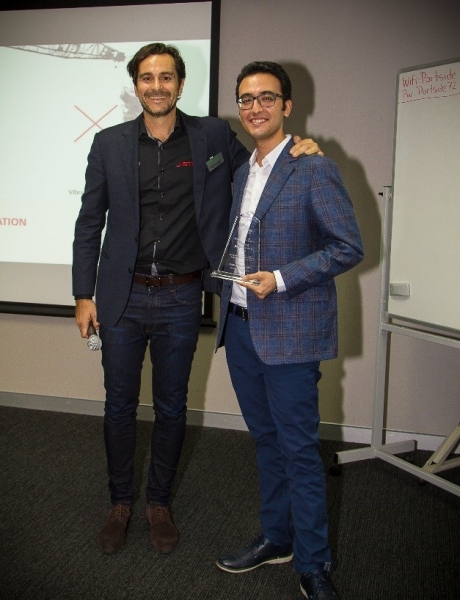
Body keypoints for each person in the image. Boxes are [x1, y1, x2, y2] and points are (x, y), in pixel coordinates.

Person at [72, 43, 322, 556]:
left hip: (184, 296)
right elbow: (89, 222)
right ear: (135, 85)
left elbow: (262, 162)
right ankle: (120, 503)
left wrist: (303, 148)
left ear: (181, 85)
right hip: (122, 296)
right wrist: (82, 293)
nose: (157, 86)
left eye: (167, 77)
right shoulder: (109, 144)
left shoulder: (211, 136)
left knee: (171, 406)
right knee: (118, 405)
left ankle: (158, 503)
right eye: (147, 78)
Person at [214, 62, 364, 599]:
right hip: (240, 328)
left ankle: (314, 562)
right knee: (266, 443)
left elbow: (348, 246)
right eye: (246, 98)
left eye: (266, 98)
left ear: (286, 106)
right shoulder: (241, 171)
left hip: (290, 333)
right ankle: (277, 537)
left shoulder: (311, 168)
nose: (255, 107)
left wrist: (279, 279)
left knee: (299, 450)